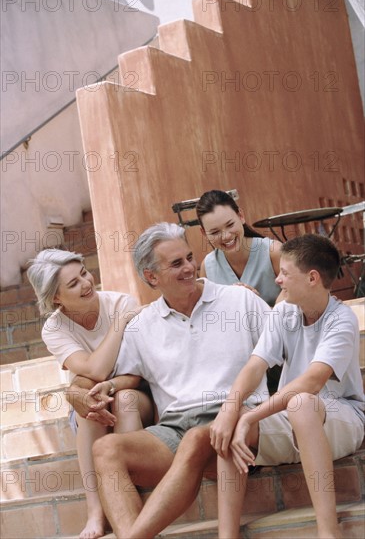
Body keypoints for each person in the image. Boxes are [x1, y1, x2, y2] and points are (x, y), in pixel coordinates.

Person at [68, 222, 271, 538]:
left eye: (189, 257)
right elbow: (123, 376)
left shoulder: (239, 301)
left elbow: (290, 345)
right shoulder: (143, 325)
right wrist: (100, 387)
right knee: (107, 449)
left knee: (194, 439)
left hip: (237, 422)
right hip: (174, 430)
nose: (190, 267)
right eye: (176, 263)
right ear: (151, 277)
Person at [210, 234, 364, 538]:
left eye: (284, 273)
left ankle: (328, 531)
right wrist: (231, 411)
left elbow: (312, 382)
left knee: (301, 402)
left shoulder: (341, 320)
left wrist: (250, 416)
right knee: (230, 424)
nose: (277, 280)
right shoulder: (283, 313)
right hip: (294, 421)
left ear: (312, 278)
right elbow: (255, 366)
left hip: (342, 419)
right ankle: (227, 536)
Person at [27, 249, 154, 539]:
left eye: (84, 273)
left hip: (135, 394)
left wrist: (107, 383)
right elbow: (92, 370)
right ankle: (95, 509)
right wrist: (120, 325)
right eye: (73, 283)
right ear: (56, 297)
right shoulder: (55, 328)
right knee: (90, 408)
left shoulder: (121, 303)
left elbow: (136, 374)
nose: (86, 283)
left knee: (123, 399)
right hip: (95, 405)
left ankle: (127, 495)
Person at [196, 189, 283, 307]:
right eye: (215, 232)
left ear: (241, 216)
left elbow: (298, 306)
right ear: (204, 233)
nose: (226, 236)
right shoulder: (208, 267)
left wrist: (257, 305)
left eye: (230, 225)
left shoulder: (274, 252)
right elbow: (207, 315)